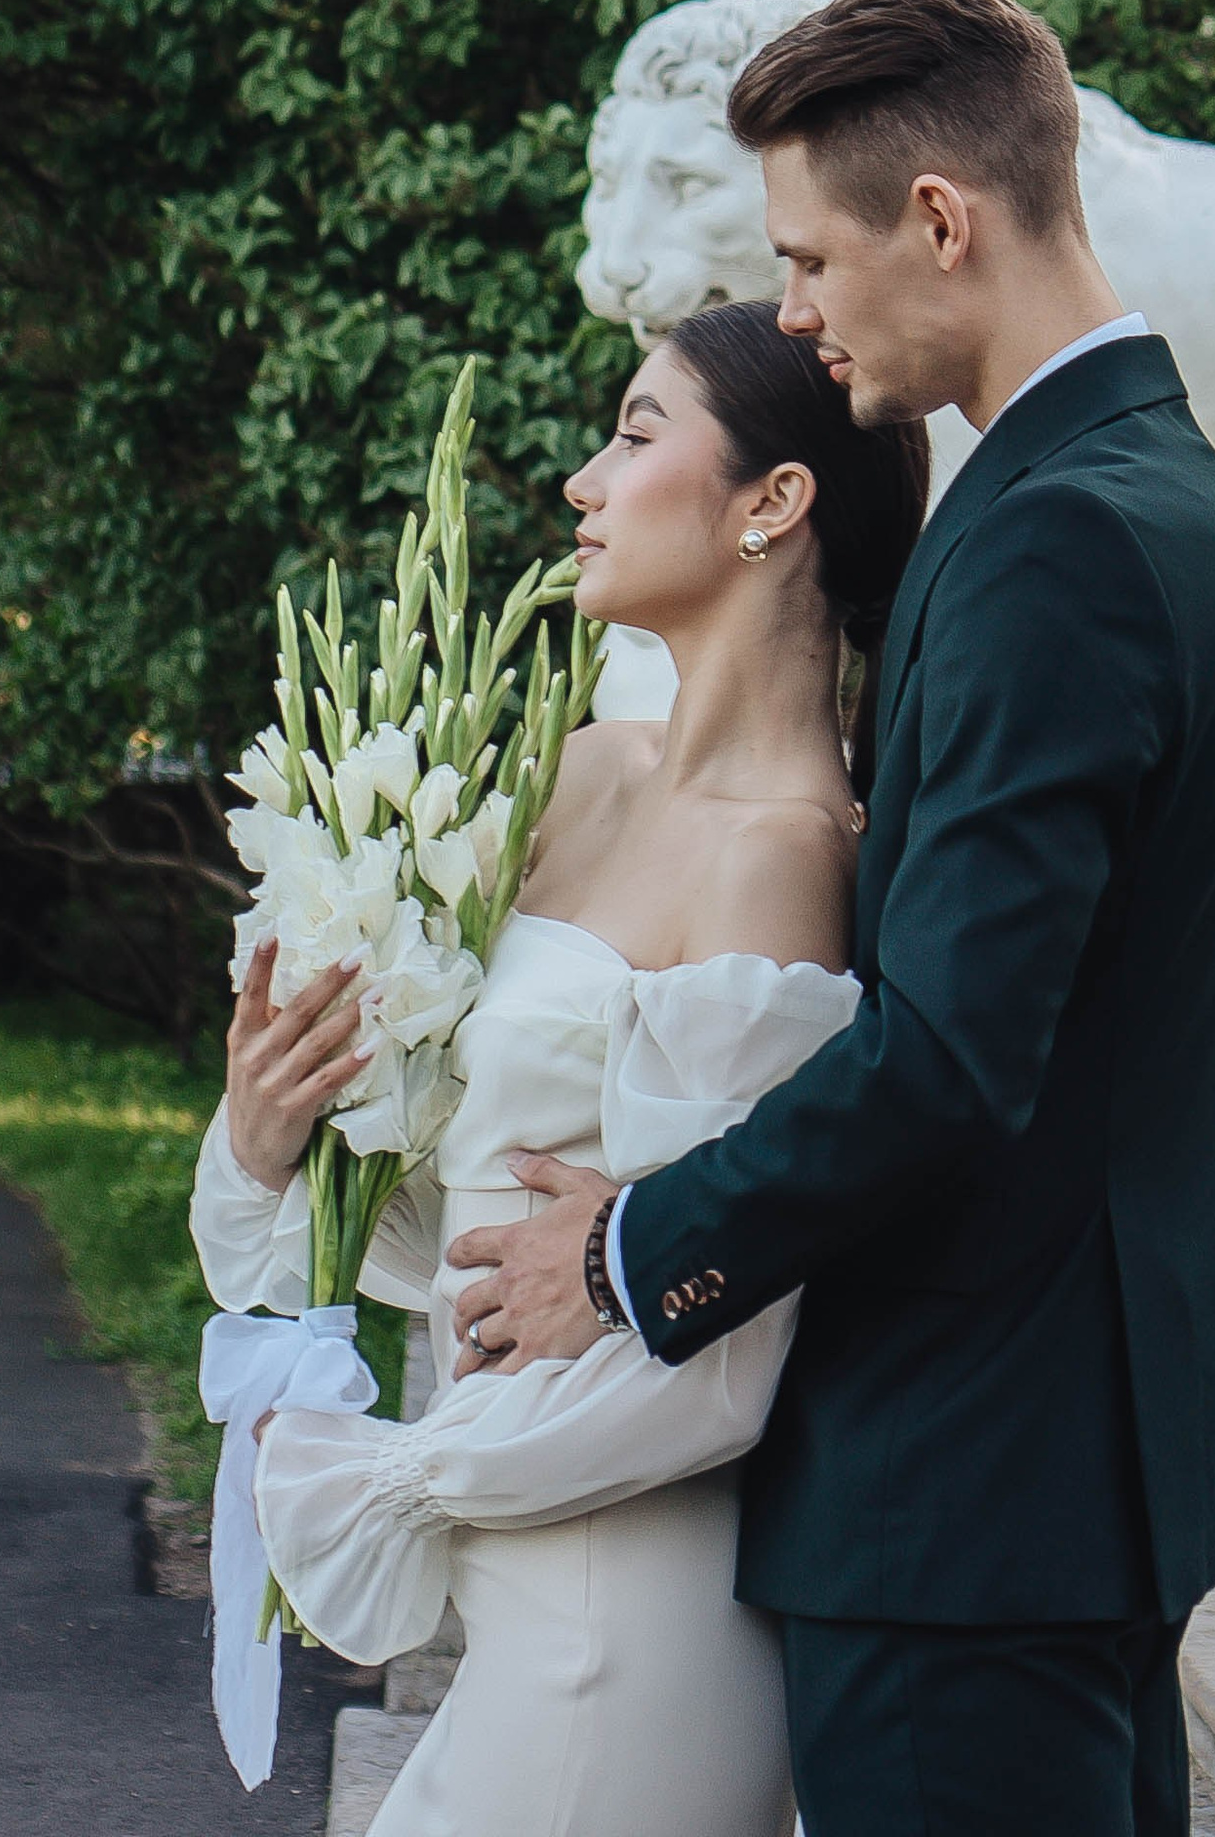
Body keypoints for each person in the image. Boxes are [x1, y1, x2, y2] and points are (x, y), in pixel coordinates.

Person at [444, 0, 1215, 1837]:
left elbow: (948, 1056)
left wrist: (624, 1246)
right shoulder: (1194, 507)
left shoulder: (1051, 544)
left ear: (940, 220)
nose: (793, 309)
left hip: (963, 1495)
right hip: (1087, 1466)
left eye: (812, 262)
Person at [188, 298, 927, 1837]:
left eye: (639, 436)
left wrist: (393, 1479)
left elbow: (724, 1346)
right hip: (511, 1583)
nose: (586, 482)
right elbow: (483, 1239)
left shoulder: (782, 859)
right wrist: (275, 1151)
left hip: (630, 1616)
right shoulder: (578, 773)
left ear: (773, 505)